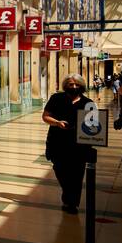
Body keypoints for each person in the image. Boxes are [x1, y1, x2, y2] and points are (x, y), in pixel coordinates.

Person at [42, 74, 96, 214]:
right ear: (65, 85)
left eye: (77, 84)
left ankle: (72, 203)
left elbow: (94, 126)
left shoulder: (88, 103)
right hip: (57, 142)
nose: (73, 87)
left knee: (77, 175)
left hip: (79, 145)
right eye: (71, 84)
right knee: (60, 170)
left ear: (81, 86)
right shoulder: (56, 98)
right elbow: (45, 116)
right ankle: (68, 195)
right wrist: (57, 123)